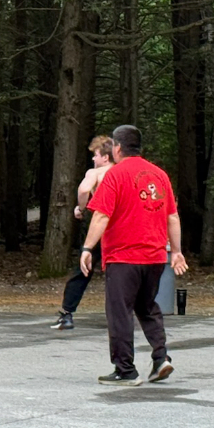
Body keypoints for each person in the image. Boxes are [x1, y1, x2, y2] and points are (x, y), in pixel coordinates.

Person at [80, 125, 188, 386]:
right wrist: (176, 252)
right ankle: (161, 358)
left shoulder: (115, 175)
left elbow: (102, 215)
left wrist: (87, 248)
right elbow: (172, 216)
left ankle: (125, 369)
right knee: (147, 306)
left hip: (123, 257)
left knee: (120, 311)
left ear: (117, 148)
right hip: (154, 257)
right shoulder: (159, 175)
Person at [51, 135, 115, 330]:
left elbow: (84, 189)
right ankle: (119, 316)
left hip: (98, 224)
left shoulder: (95, 173)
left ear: (105, 157)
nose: (93, 160)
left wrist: (82, 208)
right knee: (117, 272)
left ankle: (67, 314)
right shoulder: (122, 172)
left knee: (83, 269)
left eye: (95, 155)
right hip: (120, 227)